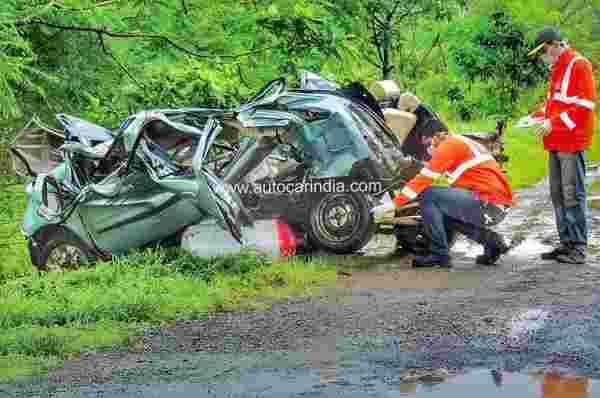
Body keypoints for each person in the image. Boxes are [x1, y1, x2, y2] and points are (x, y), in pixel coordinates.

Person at [371, 130, 514, 268]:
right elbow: (437, 173)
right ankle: (492, 242)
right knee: (440, 211)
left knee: (428, 195)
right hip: (494, 206)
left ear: (438, 135)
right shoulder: (460, 143)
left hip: (488, 203)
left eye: (428, 143)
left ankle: (439, 255)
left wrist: (393, 205)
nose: (428, 148)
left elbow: (424, 180)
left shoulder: (448, 145)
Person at [523, 27, 596, 264]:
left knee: (572, 193)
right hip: (555, 140)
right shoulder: (557, 68)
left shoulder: (579, 65)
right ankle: (565, 242)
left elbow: (585, 106)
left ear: (555, 44)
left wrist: (553, 123)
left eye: (544, 50)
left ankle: (577, 247)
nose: (543, 56)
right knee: (557, 194)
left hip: (571, 141)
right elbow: (555, 104)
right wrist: (535, 117)